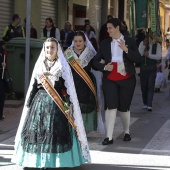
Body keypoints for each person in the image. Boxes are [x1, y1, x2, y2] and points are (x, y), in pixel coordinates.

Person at [11, 37, 91, 168]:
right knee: (38, 132)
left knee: (55, 133)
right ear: (44, 49)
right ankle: (37, 161)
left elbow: (67, 88)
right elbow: (34, 87)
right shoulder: (39, 65)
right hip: (39, 104)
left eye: (52, 47)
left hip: (57, 104)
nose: (49, 50)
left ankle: (53, 162)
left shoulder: (62, 65)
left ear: (57, 49)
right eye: (47, 47)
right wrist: (28, 104)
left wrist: (68, 104)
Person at [92, 18, 141, 145]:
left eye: (110, 28)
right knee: (110, 106)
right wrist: (104, 67)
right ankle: (108, 137)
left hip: (127, 79)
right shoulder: (104, 43)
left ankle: (127, 132)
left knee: (124, 108)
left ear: (117, 28)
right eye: (107, 28)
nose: (108, 31)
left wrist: (126, 49)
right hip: (110, 79)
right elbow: (95, 61)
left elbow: (138, 59)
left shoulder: (129, 41)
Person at [64, 31, 98, 133]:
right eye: (75, 41)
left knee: (85, 104)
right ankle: (72, 128)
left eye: (80, 41)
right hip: (72, 82)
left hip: (86, 82)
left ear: (84, 41)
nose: (78, 43)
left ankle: (85, 129)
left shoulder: (90, 53)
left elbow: (95, 66)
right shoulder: (68, 53)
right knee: (72, 103)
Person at [138, 34, 162, 111]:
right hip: (143, 67)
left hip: (152, 67)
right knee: (143, 86)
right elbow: (139, 54)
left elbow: (159, 56)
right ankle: (145, 103)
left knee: (150, 85)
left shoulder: (157, 45)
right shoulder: (143, 43)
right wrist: (144, 46)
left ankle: (149, 104)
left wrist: (149, 55)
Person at [0, 42, 6, 120]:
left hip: (0, 75)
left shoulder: (1, 49)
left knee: (1, 94)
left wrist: (3, 63)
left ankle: (0, 114)